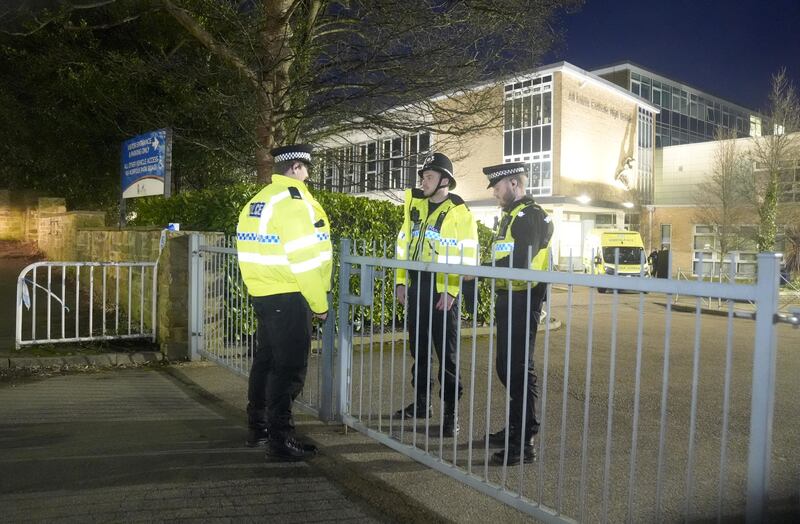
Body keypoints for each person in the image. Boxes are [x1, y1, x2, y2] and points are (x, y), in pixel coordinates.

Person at [236, 144, 332, 461]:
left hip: (264, 294)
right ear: (294, 169)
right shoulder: (293, 202)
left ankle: (259, 428)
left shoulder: (258, 200)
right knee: (288, 368)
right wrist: (319, 303)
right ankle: (281, 438)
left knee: (265, 362)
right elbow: (304, 261)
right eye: (306, 169)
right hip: (290, 295)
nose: (308, 176)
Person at [394, 152, 479, 437]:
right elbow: (403, 243)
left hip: (443, 290)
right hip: (417, 284)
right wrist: (400, 281)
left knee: (447, 356)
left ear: (445, 181)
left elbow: (467, 255)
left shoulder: (459, 211)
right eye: (422, 176)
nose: (423, 181)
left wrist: (452, 290)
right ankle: (421, 404)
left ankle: (450, 415)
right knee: (419, 350)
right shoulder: (415, 205)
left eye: (429, 176)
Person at [482, 162, 553, 465]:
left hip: (524, 298)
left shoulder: (529, 216)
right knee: (506, 367)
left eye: (497, 187)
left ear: (513, 183)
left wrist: (481, 271)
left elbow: (520, 261)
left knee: (519, 370)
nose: (495, 193)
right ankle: (516, 428)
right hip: (509, 296)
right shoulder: (512, 216)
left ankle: (524, 442)